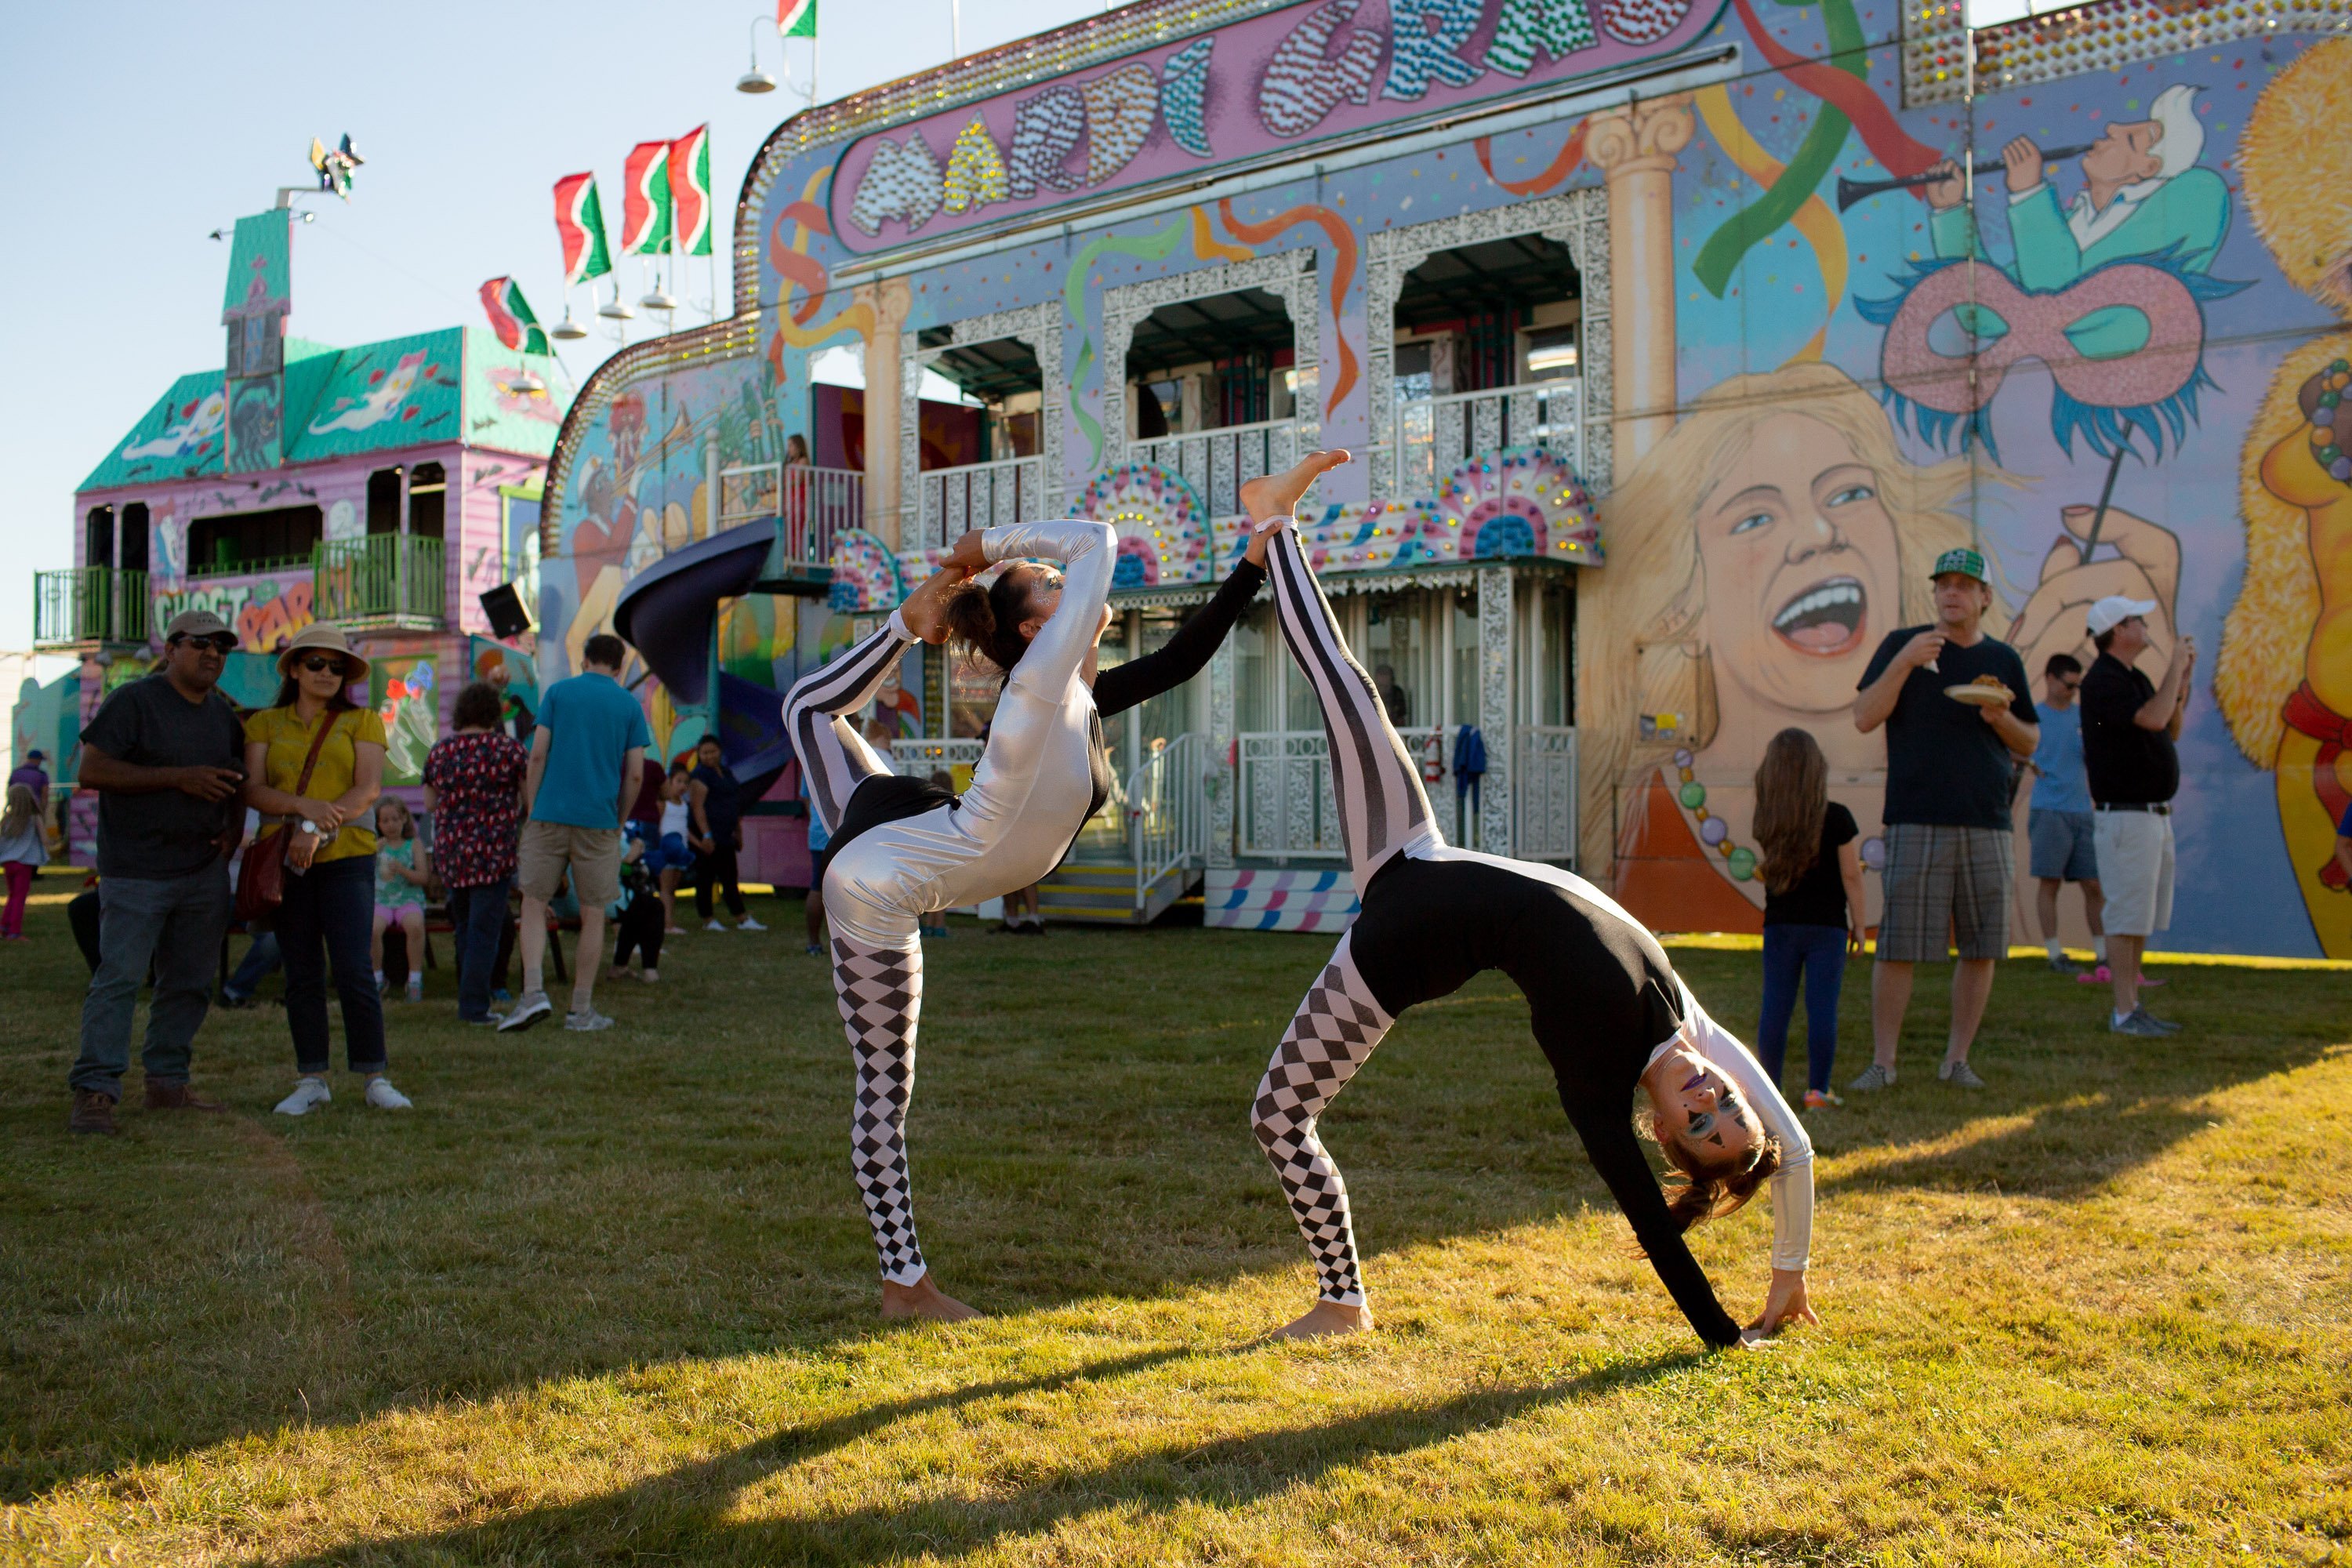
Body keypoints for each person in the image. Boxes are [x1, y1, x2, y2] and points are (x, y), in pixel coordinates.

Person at [1240, 451, 1815, 1347]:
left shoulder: (1599, 1082)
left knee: (1277, 1113)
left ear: (1662, 1133)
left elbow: (1652, 1227)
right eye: (1726, 1106)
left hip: (1400, 942)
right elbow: (1798, 1145)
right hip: (1417, 851)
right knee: (1350, 691)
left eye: (1696, 1124)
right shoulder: (1691, 1024)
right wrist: (1790, 1271)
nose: (1706, 1099)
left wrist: (1724, 1331)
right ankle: (1275, 525)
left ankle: (1341, 1295)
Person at [785, 499, 1283, 1321]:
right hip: (884, 872)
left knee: (810, 713)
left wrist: (1251, 566)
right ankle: (905, 1285)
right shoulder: (1041, 681)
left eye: (1059, 580)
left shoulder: (1071, 693)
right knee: (883, 1083)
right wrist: (983, 546)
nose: (1065, 579)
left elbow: (1181, 661)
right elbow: (1098, 542)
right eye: (1047, 585)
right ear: (1031, 632)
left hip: (904, 844)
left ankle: (904, 1285)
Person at [1849, 546, 2038, 1091]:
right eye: (1944, 584)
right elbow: (1864, 717)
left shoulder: (2003, 661)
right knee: (1900, 944)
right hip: (1915, 816)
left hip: (1987, 819)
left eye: (1964, 585)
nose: (1952, 592)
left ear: (1984, 598)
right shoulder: (1903, 647)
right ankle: (1883, 1063)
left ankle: (1957, 1059)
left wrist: (2001, 719)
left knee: (1981, 945)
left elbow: (2030, 741)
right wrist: (1906, 660)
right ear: (1934, 593)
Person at [66, 611, 247, 1134]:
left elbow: (238, 780)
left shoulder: (223, 716)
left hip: (201, 871)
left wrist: (233, 830)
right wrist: (179, 779)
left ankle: (168, 1083)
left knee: (190, 982)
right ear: (170, 649)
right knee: (119, 979)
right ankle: (95, 1090)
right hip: (136, 870)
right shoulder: (134, 701)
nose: (213, 653)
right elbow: (91, 769)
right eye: (200, 643)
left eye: (222, 647)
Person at [242, 623, 410, 1116]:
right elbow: (252, 790)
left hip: (346, 858)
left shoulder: (363, 722)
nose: (327, 673)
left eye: (337, 666)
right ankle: (311, 1078)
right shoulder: (264, 725)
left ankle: (374, 1076)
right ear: (294, 668)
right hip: (284, 862)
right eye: (316, 663)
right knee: (301, 972)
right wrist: (303, 809)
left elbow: (368, 791)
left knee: (355, 968)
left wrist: (314, 829)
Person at [501, 632, 648, 1033]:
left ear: (584, 660)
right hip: (599, 823)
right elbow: (635, 773)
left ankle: (532, 993)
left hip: (548, 815)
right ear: (619, 668)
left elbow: (537, 753)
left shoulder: (558, 693)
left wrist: (534, 807)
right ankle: (580, 1010)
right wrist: (619, 820)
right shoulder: (629, 705)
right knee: (594, 914)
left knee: (533, 902)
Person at [2081, 594, 2194, 1036]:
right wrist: (2174, 670)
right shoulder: (2102, 682)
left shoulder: (2133, 677)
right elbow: (2151, 720)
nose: (2145, 625)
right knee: (2127, 915)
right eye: (2137, 619)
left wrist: (2181, 680)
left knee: (2141, 916)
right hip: (2126, 817)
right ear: (2118, 630)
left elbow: (2171, 724)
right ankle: (2123, 1011)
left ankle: (2133, 1005)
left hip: (2149, 816)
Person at [1751, 728, 1865, 1109]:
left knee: (1775, 1007)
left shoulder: (1767, 819)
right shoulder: (1838, 818)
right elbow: (1852, 875)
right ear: (1817, 770)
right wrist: (1861, 925)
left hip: (1780, 924)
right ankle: (1818, 1090)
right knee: (1822, 1008)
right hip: (1827, 928)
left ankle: (1770, 1091)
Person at [423, 681, 528, 1026]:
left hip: (453, 850)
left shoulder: (440, 751)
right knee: (486, 930)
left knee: (466, 927)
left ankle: (469, 998)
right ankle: (473, 1007)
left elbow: (429, 803)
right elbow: (528, 800)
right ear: (493, 713)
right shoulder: (510, 751)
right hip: (493, 849)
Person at [2026, 652, 2107, 976]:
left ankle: (2103, 953)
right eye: (2068, 684)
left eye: (2077, 686)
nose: (2073, 691)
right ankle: (2054, 952)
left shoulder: (2087, 716)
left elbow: (2104, 740)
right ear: (2049, 678)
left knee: (2093, 884)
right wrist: (2030, 762)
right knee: (2050, 882)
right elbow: (2012, 744)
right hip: (2048, 809)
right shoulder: (2033, 715)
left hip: (2081, 809)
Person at [689, 735, 763, 932]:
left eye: (712, 751)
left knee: (730, 876)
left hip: (726, 834)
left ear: (720, 751)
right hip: (709, 836)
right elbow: (697, 807)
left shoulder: (726, 772)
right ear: (699, 754)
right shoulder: (700, 775)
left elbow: (734, 803)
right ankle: (708, 919)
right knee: (706, 877)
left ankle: (741, 917)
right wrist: (706, 835)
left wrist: (738, 832)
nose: (709, 756)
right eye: (704, 753)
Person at [368, 797, 430, 1003]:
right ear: (378, 824)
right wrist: (371, 853)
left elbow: (423, 878)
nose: (391, 825)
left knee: (415, 926)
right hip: (381, 900)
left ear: (404, 819)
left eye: (395, 819)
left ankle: (414, 979)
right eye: (385, 821)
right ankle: (377, 977)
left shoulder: (413, 845)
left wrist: (403, 870)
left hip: (408, 899)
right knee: (372, 929)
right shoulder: (375, 847)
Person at [608, 835, 666, 983]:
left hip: (579, 897)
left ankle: (619, 966)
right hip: (605, 899)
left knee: (637, 908)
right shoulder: (604, 830)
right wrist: (639, 845)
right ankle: (650, 969)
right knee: (653, 907)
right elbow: (627, 859)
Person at [651, 761, 696, 931]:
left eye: (686, 782)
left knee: (673, 889)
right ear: (669, 781)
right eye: (679, 781)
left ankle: (669, 921)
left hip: (681, 851)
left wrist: (697, 843)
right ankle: (665, 923)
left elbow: (685, 830)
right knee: (666, 889)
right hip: (667, 851)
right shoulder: (664, 804)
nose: (683, 786)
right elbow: (657, 825)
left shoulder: (684, 805)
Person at [1, 781, 47, 941]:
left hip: (8, 863)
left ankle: (4, 926)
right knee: (20, 897)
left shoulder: (7, 819)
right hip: (24, 864)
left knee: (12, 895)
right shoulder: (34, 818)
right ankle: (15, 931)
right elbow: (45, 839)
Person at [802, 768, 831, 956]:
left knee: (817, 887)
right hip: (844, 832)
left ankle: (814, 943)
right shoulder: (850, 756)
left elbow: (806, 798)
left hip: (819, 833)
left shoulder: (809, 760)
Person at [9, 748, 50, 815]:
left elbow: (9, 791)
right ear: (37, 760)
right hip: (33, 812)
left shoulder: (15, 773)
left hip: (16, 811)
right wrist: (42, 812)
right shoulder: (41, 774)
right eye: (40, 760)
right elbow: (45, 794)